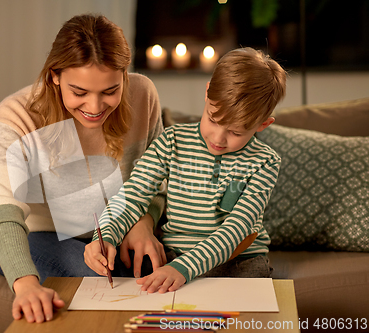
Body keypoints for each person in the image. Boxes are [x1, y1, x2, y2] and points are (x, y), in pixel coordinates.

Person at [0, 14, 167, 324]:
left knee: (161, 276)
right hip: (36, 235)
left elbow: (156, 179)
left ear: (125, 75)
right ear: (55, 76)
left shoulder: (143, 94)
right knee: (99, 286)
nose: (95, 108)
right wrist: (26, 286)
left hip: (116, 231)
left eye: (110, 91)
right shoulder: (15, 115)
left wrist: (143, 222)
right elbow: (4, 213)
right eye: (79, 92)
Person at [84, 47, 287, 294]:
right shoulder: (171, 142)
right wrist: (104, 237)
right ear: (207, 92)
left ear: (263, 124)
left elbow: (236, 229)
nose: (219, 138)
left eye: (236, 132)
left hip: (238, 263)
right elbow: (131, 197)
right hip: (173, 258)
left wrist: (183, 268)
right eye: (213, 119)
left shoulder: (264, 163)